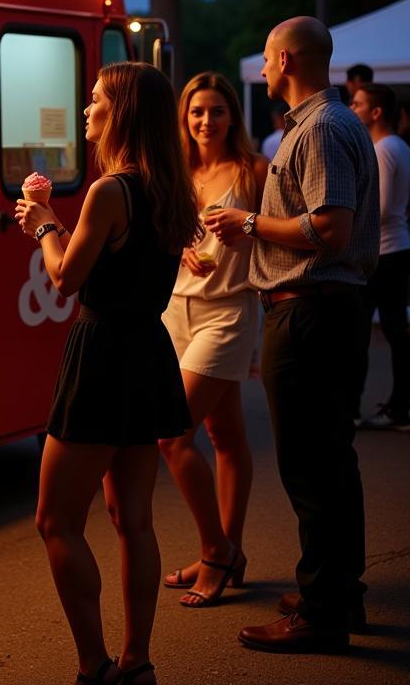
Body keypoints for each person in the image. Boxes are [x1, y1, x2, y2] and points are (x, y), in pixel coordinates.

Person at [16, 62, 198, 685]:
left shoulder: (110, 190)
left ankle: (93, 665)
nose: (87, 110)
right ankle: (137, 659)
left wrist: (42, 223)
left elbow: (66, 278)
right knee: (134, 519)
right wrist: (58, 229)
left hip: (100, 357)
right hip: (147, 350)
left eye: (95, 101)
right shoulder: (170, 189)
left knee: (56, 520)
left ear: (119, 112)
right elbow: (106, 265)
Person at [206, 16, 378, 654]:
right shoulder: (324, 125)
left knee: (312, 465)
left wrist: (248, 221)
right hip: (322, 307)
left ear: (282, 59)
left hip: (310, 308)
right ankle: (337, 592)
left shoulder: (324, 128)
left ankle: (322, 612)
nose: (266, 68)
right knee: (331, 460)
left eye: (269, 59)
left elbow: (330, 226)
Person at [159, 73, 267, 607]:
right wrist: (175, 245)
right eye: (197, 111)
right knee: (225, 436)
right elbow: (162, 231)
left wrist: (248, 226)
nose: (206, 121)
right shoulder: (176, 172)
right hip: (175, 309)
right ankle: (233, 550)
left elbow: (279, 234)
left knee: (172, 435)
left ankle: (215, 550)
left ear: (233, 117)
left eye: (217, 111)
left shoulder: (253, 171)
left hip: (228, 311)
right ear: (185, 117)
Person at [349, 83, 410, 430]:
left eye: (357, 104)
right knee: (392, 331)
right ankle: (398, 407)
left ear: (375, 112)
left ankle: (359, 408)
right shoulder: (396, 145)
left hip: (383, 253)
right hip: (393, 249)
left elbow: (381, 206)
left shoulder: (385, 148)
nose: (351, 108)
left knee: (363, 333)